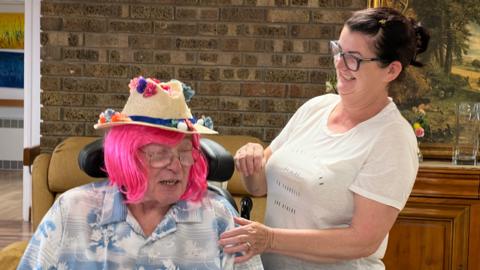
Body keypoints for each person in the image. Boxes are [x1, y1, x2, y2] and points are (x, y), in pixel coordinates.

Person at [218, 7, 430, 270]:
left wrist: (270, 239)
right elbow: (260, 187)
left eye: (354, 58)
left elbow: (362, 241)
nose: (340, 64)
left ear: (391, 71)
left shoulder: (393, 138)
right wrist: (250, 161)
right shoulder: (316, 108)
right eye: (338, 51)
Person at [18, 77, 264, 269]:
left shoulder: (219, 218)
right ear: (127, 156)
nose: (177, 166)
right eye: (160, 154)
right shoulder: (72, 211)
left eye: (185, 153)